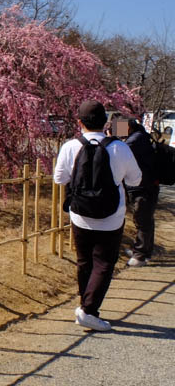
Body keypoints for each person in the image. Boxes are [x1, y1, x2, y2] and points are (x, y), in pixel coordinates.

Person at [54, 100, 142, 331]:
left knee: (85, 262)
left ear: (79, 122)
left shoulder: (70, 146)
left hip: (80, 214)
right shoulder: (120, 147)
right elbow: (136, 179)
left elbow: (59, 179)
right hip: (111, 216)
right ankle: (88, 310)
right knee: (103, 263)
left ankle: (86, 306)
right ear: (105, 123)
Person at [124, 119, 159, 266]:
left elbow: (122, 150)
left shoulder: (136, 139)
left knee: (142, 218)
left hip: (144, 186)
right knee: (144, 218)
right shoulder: (140, 136)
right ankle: (143, 250)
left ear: (128, 127)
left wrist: (111, 138)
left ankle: (140, 255)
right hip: (145, 185)